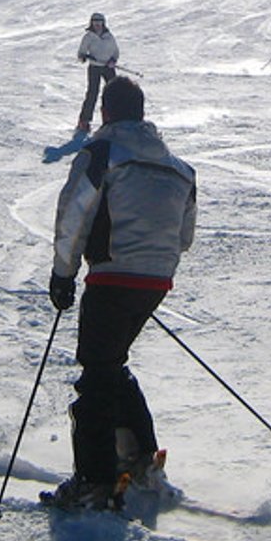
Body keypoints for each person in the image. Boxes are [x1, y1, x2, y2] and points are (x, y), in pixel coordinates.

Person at [45, 76, 197, 511]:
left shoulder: (102, 152)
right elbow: (184, 237)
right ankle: (140, 454)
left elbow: (75, 211)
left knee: (96, 375)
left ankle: (94, 482)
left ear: (106, 112)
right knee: (110, 364)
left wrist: (63, 273)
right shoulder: (180, 168)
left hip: (112, 277)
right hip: (156, 281)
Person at [74, 12, 118, 133]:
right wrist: (84, 57)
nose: (97, 24)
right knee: (92, 93)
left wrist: (113, 60)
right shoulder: (89, 36)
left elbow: (115, 51)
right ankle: (84, 121)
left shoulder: (109, 36)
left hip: (108, 67)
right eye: (95, 22)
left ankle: (112, 118)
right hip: (95, 68)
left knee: (113, 92)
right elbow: (81, 52)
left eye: (99, 22)